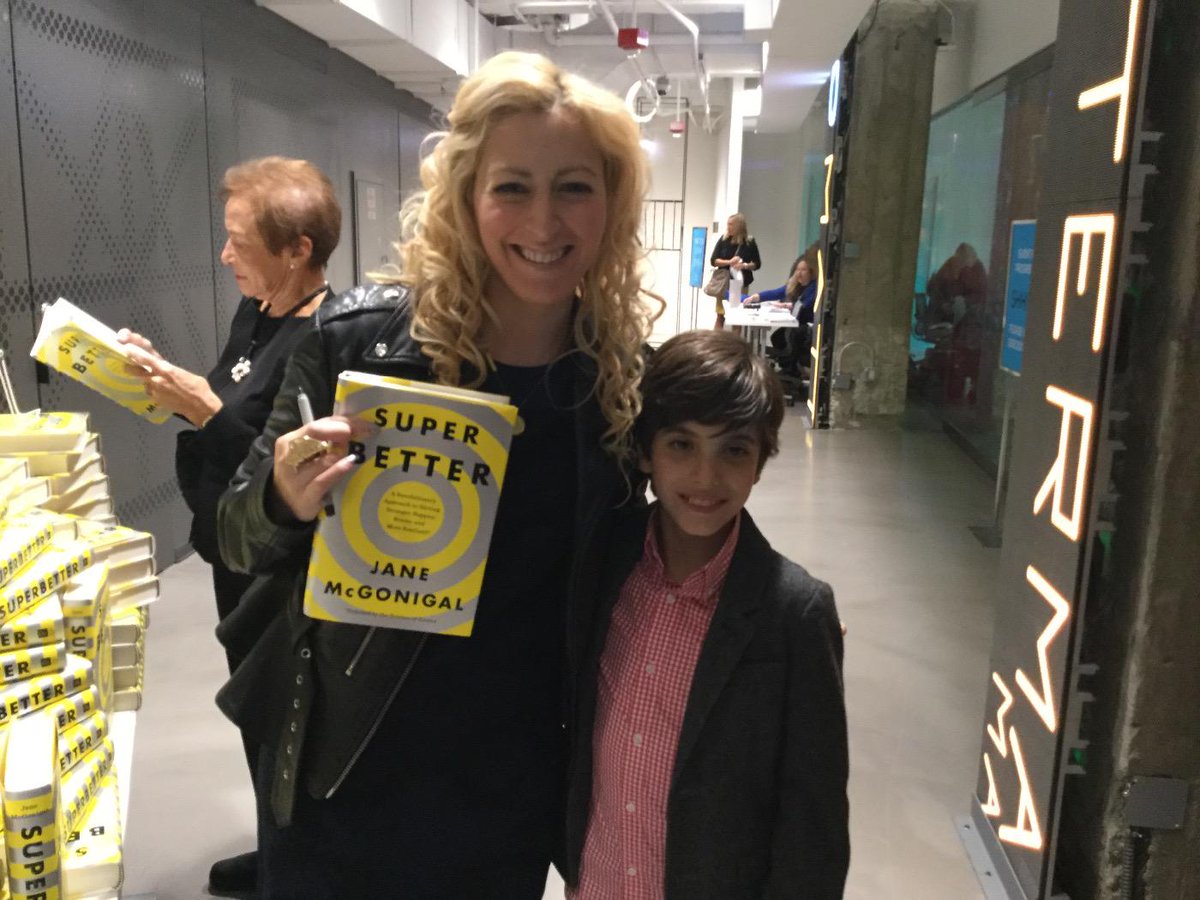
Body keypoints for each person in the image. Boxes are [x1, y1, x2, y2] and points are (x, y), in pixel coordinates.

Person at [214, 51, 661, 898]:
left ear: (611, 202)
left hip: (511, 785)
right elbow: (236, 535)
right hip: (346, 770)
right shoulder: (359, 345)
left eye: (574, 187)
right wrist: (283, 495)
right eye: (511, 187)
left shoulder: (617, 381)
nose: (543, 220)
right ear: (465, 195)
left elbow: (644, 554)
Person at [116, 155, 341, 898]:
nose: (223, 255)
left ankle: (298, 861)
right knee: (252, 711)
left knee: (287, 717)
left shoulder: (323, 340)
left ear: (297, 249)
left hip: (278, 563)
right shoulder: (257, 315)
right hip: (227, 548)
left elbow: (285, 467)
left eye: (238, 241)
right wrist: (159, 379)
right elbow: (230, 404)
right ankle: (276, 846)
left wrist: (200, 406)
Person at [565, 329, 850, 899]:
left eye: (733, 450)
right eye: (681, 445)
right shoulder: (606, 562)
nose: (705, 477)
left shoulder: (794, 613)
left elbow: (812, 822)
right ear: (645, 452)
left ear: (760, 462)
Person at [749, 255, 818, 375]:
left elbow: (805, 305)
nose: (799, 273)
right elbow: (777, 292)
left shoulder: (813, 287)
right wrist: (757, 297)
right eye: (798, 269)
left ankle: (790, 370)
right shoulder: (795, 285)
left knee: (790, 337)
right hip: (795, 323)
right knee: (777, 337)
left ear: (811, 272)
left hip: (807, 326)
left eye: (803, 270)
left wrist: (787, 305)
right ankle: (788, 367)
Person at [709, 213, 761, 329]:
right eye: (728, 224)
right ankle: (717, 339)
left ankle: (735, 339)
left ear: (739, 226)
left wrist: (744, 265)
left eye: (731, 224)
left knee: (737, 317)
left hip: (740, 283)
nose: (728, 227)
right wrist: (729, 262)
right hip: (723, 283)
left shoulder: (749, 242)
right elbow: (713, 260)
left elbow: (757, 264)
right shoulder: (723, 240)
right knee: (720, 315)